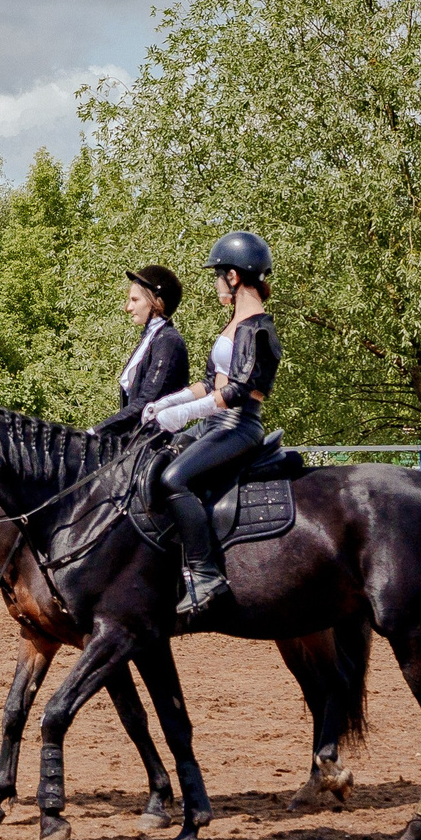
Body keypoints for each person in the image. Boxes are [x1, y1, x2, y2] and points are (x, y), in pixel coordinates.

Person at [141, 232, 281, 616]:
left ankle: (204, 575)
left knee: (175, 480)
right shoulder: (233, 324)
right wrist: (168, 402)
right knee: (154, 463)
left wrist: (187, 414)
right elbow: (210, 381)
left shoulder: (258, 328)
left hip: (237, 427)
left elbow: (238, 390)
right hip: (215, 425)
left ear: (234, 277)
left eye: (219, 276)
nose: (216, 283)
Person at [94, 264, 190, 433]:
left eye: (135, 300)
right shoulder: (152, 339)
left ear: (156, 302)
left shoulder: (168, 341)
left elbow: (148, 402)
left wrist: (97, 431)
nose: (128, 308)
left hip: (157, 442)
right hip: (138, 439)